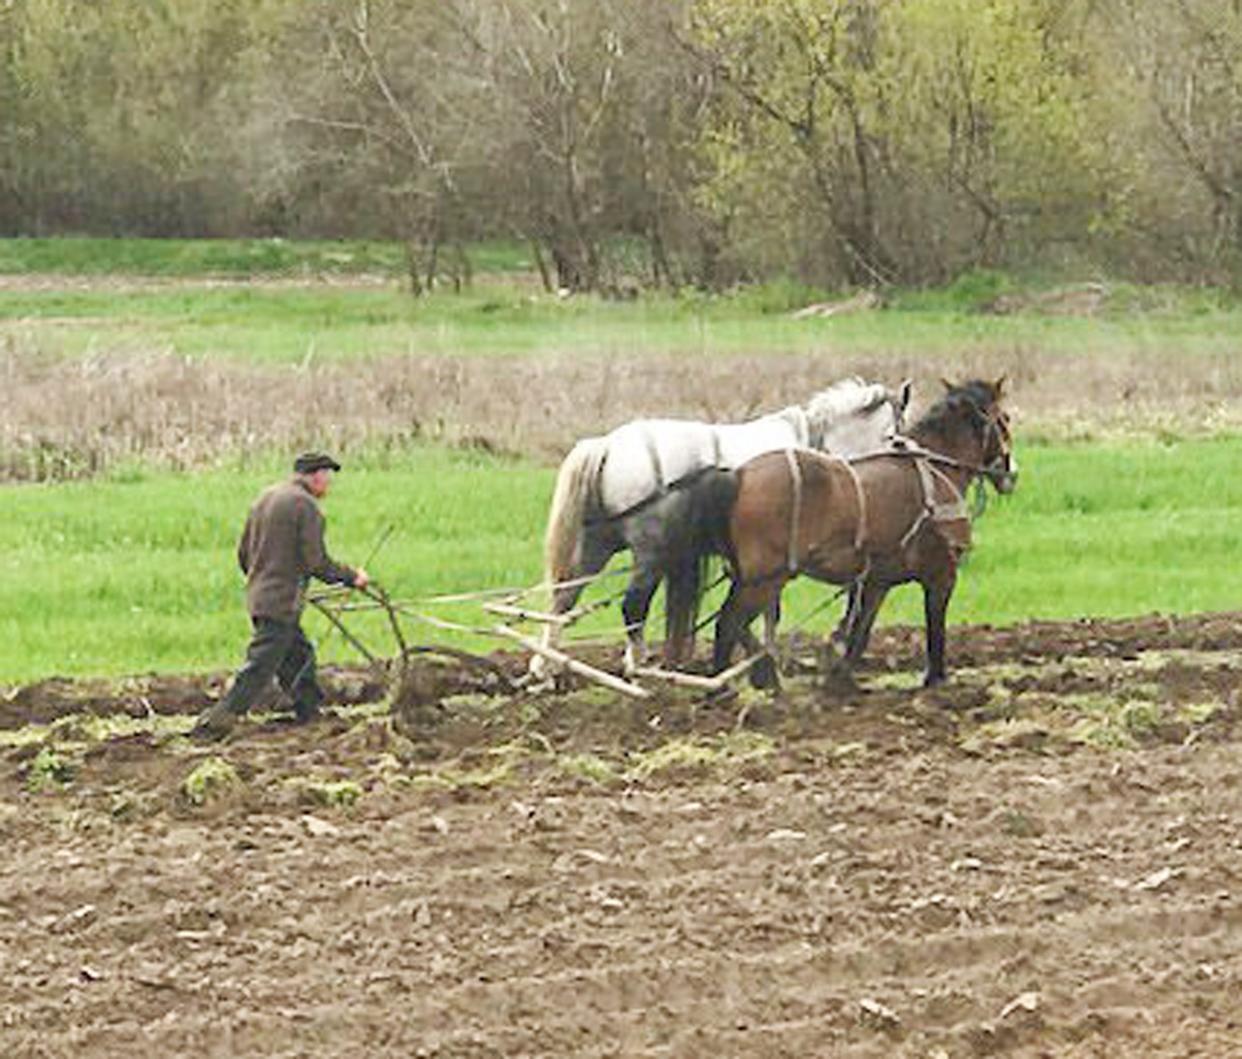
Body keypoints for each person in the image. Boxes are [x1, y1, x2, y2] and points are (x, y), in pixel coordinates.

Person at [192, 452, 369, 741]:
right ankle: (217, 721)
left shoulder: (266, 498)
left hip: (260, 594)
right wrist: (352, 578)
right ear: (316, 476)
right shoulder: (306, 506)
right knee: (260, 665)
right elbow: (316, 562)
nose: (330, 484)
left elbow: (243, 554)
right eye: (328, 477)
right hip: (281, 601)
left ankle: (309, 710)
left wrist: (265, 578)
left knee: (298, 655)